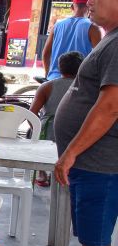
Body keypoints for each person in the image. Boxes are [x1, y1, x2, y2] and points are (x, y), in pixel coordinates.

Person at [54, 0, 118, 246]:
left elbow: (109, 107)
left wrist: (71, 153)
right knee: (90, 239)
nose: (90, 0)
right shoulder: (111, 40)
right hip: (92, 162)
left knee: (95, 240)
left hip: (99, 163)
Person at [30, 51, 84, 187]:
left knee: (38, 134)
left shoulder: (46, 87)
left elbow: (32, 114)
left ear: (59, 68)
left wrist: (37, 130)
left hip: (49, 130)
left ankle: (42, 174)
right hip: (77, 131)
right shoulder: (86, 87)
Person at [42, 0, 101, 80]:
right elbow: (100, 56)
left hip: (54, 80)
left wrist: (48, 74)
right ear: (91, 6)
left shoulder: (57, 26)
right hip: (78, 82)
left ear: (72, 7)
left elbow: (46, 53)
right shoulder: (93, 27)